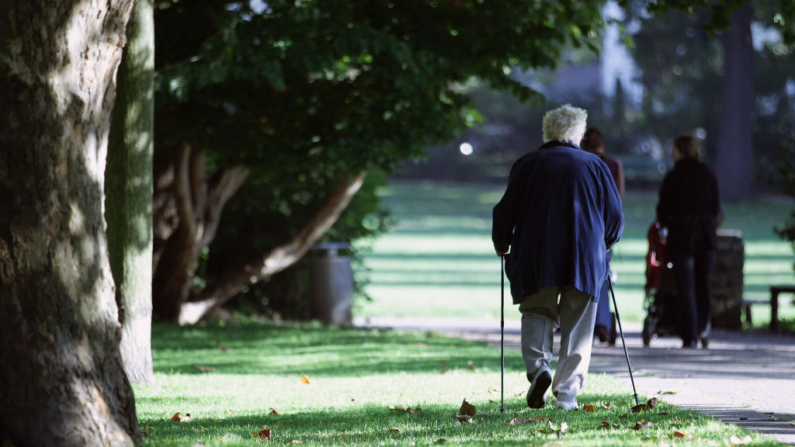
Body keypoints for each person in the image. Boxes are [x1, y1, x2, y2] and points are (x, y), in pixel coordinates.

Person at [492, 104, 624, 410]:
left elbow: (504, 211)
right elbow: (615, 217)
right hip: (585, 257)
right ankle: (566, 396)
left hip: (537, 255)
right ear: (578, 133)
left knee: (537, 312)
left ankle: (539, 369)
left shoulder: (527, 164)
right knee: (577, 325)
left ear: (547, 131)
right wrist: (606, 243)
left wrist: (502, 242)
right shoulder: (596, 166)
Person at [656, 135, 720, 348]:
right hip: (705, 233)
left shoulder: (674, 176)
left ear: (682, 150)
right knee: (703, 283)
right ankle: (703, 327)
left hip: (682, 233)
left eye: (674, 149)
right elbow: (716, 208)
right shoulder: (707, 174)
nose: (671, 153)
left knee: (685, 285)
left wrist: (665, 224)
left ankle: (689, 334)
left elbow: (663, 208)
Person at [580, 128, 625, 343]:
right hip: (604, 229)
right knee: (603, 275)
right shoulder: (613, 165)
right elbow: (618, 197)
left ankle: (578, 321)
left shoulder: (580, 162)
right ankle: (603, 322)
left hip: (581, 227)